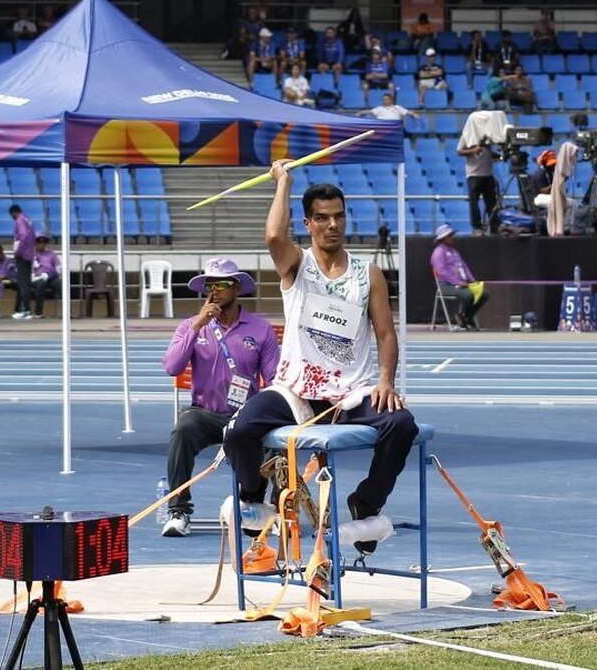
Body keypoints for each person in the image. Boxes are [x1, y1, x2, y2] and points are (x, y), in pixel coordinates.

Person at [223, 174, 417, 557]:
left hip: (350, 394)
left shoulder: (368, 274)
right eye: (323, 218)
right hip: (295, 391)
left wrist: (385, 380)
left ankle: (367, 501)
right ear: (308, 223)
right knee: (240, 430)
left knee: (402, 424)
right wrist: (283, 182)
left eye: (339, 216)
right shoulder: (297, 265)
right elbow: (273, 236)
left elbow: (385, 334)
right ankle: (254, 495)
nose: (333, 225)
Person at [160, 258, 280, 538]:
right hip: (205, 413)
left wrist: (266, 411)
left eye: (222, 284)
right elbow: (172, 367)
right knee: (182, 429)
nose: (214, 290)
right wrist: (197, 325)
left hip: (246, 416)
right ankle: (178, 511)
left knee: (277, 434)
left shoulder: (260, 329)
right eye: (209, 284)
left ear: (237, 288)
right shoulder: (190, 326)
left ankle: (259, 506)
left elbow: (274, 378)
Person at [430, 224, 489, 330]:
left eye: (452, 235)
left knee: (484, 293)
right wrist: (457, 282)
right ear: (443, 238)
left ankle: (466, 317)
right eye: (450, 236)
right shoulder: (438, 253)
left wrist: (472, 280)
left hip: (463, 283)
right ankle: (466, 318)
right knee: (468, 295)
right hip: (447, 285)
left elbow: (464, 266)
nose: (452, 238)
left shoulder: (454, 251)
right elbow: (442, 272)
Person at [457, 125, 497, 235]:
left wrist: (493, 156)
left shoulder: (488, 137)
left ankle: (494, 225)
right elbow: (459, 151)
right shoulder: (467, 135)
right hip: (474, 174)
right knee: (474, 202)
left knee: (491, 202)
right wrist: (473, 150)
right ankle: (477, 227)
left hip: (488, 174)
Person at [9, 203, 35, 319]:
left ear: (13, 213)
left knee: (23, 283)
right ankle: (24, 309)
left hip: (23, 255)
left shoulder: (20, 220)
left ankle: (26, 310)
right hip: (30, 254)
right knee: (26, 283)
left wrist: (18, 251)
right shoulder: (28, 219)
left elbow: (23, 236)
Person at [30, 234, 60, 319]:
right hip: (36, 278)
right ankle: (38, 312)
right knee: (41, 283)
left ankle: (66, 311)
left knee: (61, 283)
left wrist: (53, 274)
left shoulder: (52, 254)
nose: (42, 244)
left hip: (50, 277)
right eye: (39, 241)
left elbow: (58, 268)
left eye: (44, 242)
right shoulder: (30, 254)